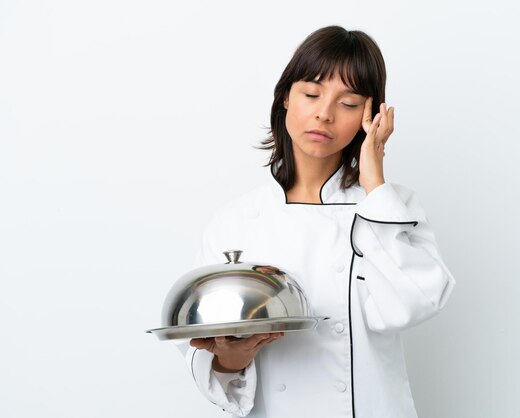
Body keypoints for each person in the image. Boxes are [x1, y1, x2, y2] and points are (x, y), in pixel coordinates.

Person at [175, 25, 456, 418]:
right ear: (286, 98)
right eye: (311, 93)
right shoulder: (235, 222)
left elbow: (412, 304)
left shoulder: (390, 208)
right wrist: (231, 357)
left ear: (370, 115)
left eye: (349, 102)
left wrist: (374, 184)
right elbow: (208, 357)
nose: (324, 113)